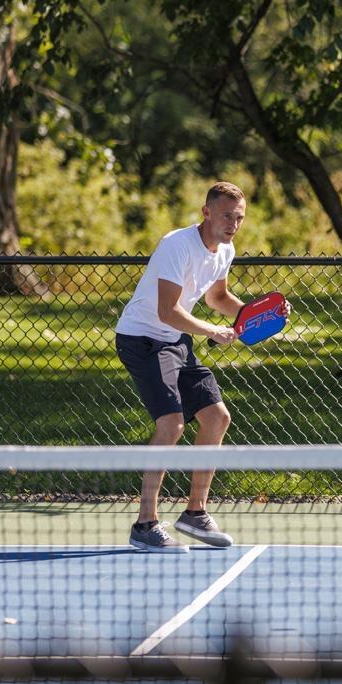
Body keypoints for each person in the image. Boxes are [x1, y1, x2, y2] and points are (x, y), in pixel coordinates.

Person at [114, 181, 251, 553]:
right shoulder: (177, 244)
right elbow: (167, 310)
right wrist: (212, 330)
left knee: (216, 418)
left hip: (175, 340)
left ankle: (195, 513)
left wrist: (257, 314)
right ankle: (145, 524)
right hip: (141, 339)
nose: (233, 224)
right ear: (206, 212)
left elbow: (218, 297)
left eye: (239, 217)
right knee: (171, 424)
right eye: (226, 215)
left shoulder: (225, 250)